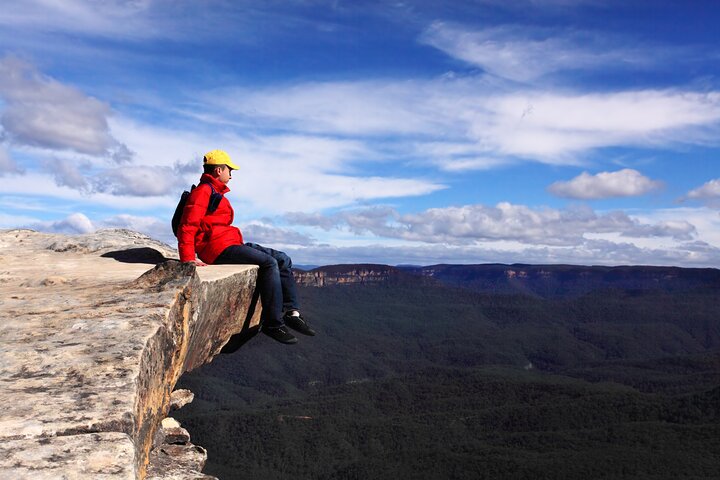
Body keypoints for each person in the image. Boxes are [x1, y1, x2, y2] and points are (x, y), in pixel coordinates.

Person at [176, 149, 315, 344]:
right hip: (216, 248)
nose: (231, 174)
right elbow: (187, 225)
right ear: (218, 170)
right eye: (229, 170)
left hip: (230, 242)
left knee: (283, 259)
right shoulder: (203, 192)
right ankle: (272, 324)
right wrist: (188, 257)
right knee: (269, 263)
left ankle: (292, 313)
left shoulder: (215, 192)